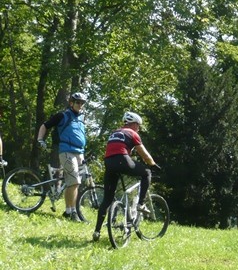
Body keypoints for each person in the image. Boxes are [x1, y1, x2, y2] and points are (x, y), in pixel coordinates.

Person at [92, 111, 159, 242]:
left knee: (107, 200)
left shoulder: (114, 133)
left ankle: (97, 232)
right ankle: (140, 204)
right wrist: (153, 165)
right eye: (138, 125)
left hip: (109, 163)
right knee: (146, 172)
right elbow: (145, 155)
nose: (138, 128)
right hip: (122, 160)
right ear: (134, 124)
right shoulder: (133, 133)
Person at [37, 92, 88, 221]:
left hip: (79, 152)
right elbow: (45, 125)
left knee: (73, 183)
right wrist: (40, 139)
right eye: (78, 102)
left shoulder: (82, 118)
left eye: (82, 103)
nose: (80, 105)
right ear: (71, 103)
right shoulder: (62, 115)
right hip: (66, 150)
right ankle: (72, 212)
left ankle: (68, 211)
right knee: (75, 181)